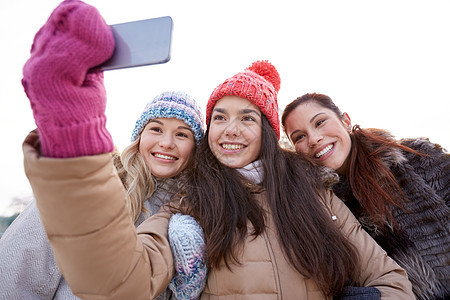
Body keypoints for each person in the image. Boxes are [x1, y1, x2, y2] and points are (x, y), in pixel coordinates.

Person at [20, 0, 414, 298]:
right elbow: (121, 282)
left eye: (247, 117)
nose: (230, 130)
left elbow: (393, 281)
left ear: (267, 131)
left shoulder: (315, 195)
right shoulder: (191, 202)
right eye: (220, 117)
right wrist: (74, 135)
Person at [0, 91, 207, 300]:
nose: (166, 143)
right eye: (156, 129)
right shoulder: (89, 186)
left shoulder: (193, 219)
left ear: (195, 148)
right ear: (140, 136)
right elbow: (18, 270)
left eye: (182, 134)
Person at [281, 92, 450, 300]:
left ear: (345, 121)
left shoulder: (417, 158)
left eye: (320, 122)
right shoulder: (317, 207)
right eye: (300, 136)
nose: (314, 139)